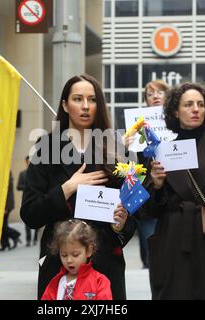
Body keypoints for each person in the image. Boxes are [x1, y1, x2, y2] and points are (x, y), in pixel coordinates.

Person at [21, 74, 136, 300]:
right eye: (77, 99)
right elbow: (30, 213)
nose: (85, 106)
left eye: (92, 100)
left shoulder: (116, 148)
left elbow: (133, 212)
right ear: (65, 104)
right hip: (60, 264)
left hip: (105, 265)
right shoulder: (46, 147)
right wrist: (68, 187)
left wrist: (121, 224)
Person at [145, 82, 205, 299]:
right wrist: (155, 184)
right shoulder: (161, 150)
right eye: (188, 104)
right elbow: (148, 212)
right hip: (175, 240)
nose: (196, 109)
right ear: (175, 111)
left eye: (200, 104)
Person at [134, 80, 170, 269]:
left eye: (160, 92)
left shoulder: (179, 123)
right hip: (148, 196)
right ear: (145, 101)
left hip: (173, 197)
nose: (155, 96)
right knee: (151, 253)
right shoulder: (138, 127)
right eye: (150, 94)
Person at [41, 219, 112, 300]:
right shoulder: (56, 282)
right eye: (64, 255)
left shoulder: (99, 281)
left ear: (89, 250)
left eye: (75, 255)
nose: (69, 260)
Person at [17, 156, 38, 246]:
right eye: (28, 162)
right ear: (26, 162)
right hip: (26, 199)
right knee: (26, 219)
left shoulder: (37, 173)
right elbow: (18, 186)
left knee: (38, 219)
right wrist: (27, 187)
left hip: (37, 198)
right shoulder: (22, 174)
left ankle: (35, 239)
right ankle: (28, 239)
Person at [0, 172, 21, 251]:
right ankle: (5, 244)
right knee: (2, 226)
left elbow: (7, 193)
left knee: (2, 226)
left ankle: (15, 235)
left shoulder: (6, 174)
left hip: (6, 206)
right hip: (4, 206)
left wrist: (6, 208)